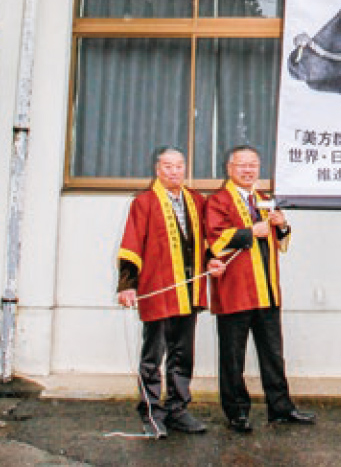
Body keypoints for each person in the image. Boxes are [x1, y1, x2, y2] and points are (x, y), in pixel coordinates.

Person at [204, 144, 316, 432]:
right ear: (229, 169)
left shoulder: (264, 200)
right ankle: (237, 412)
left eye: (253, 164)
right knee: (232, 356)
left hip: (266, 290)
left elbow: (281, 244)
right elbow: (214, 240)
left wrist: (282, 226)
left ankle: (280, 407)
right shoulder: (218, 201)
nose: (248, 169)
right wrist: (249, 232)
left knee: (273, 353)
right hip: (235, 291)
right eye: (242, 165)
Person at [117, 145, 225, 438]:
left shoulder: (195, 200)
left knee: (182, 354)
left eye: (179, 166)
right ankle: (151, 411)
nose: (174, 171)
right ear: (157, 169)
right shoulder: (144, 202)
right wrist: (127, 286)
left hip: (188, 290)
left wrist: (213, 260)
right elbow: (131, 245)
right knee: (153, 355)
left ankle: (178, 410)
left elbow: (204, 241)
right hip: (159, 288)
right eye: (168, 166)